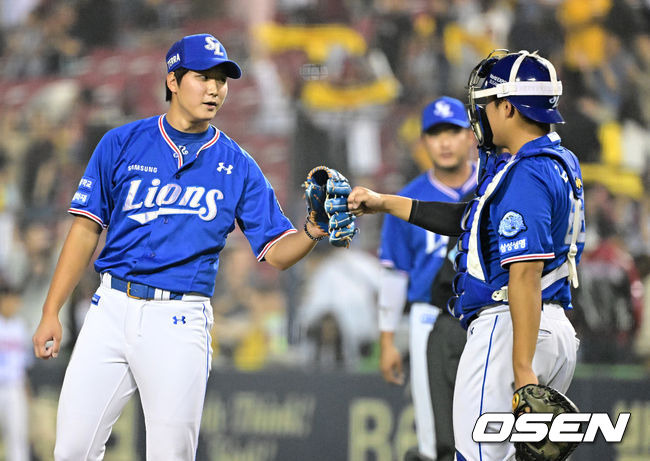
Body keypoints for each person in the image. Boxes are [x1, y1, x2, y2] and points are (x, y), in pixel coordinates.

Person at [31, 33, 335, 461]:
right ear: (173, 80)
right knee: (71, 452)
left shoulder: (238, 165)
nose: (214, 89)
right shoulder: (121, 144)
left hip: (178, 318)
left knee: (170, 455)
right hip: (110, 308)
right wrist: (51, 311)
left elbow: (276, 251)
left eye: (222, 80)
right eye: (203, 77)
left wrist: (312, 229)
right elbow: (84, 230)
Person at [348, 50, 585, 460]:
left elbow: (524, 275)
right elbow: (468, 218)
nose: (481, 114)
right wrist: (385, 202)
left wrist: (522, 371)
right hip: (553, 328)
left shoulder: (525, 174)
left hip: (510, 325)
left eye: (487, 103)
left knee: (474, 456)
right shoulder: (556, 161)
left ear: (507, 107)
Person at [377, 96, 475, 461]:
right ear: (424, 142)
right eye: (436, 134)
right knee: (435, 432)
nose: (445, 142)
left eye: (453, 132)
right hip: (427, 317)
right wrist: (387, 340)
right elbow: (394, 275)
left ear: (470, 136)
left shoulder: (493, 185)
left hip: (483, 314)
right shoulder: (407, 199)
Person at [0, 283, 31, 461]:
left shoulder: (21, 327)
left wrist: (26, 391)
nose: (13, 304)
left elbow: (24, 364)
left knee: (17, 438)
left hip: (14, 387)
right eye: (9, 300)